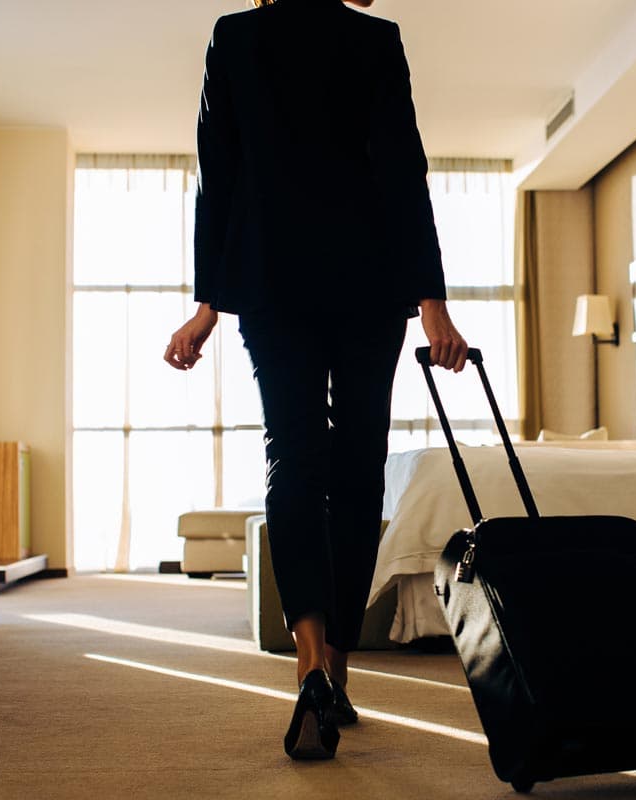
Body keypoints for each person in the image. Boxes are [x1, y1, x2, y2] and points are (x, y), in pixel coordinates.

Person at [163, 0, 467, 761]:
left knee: (292, 461)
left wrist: (207, 304)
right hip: (368, 283)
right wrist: (433, 306)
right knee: (359, 470)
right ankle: (337, 668)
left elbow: (218, 174)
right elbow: (403, 167)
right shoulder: (374, 38)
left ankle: (307, 664)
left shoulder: (235, 36)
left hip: (272, 283)